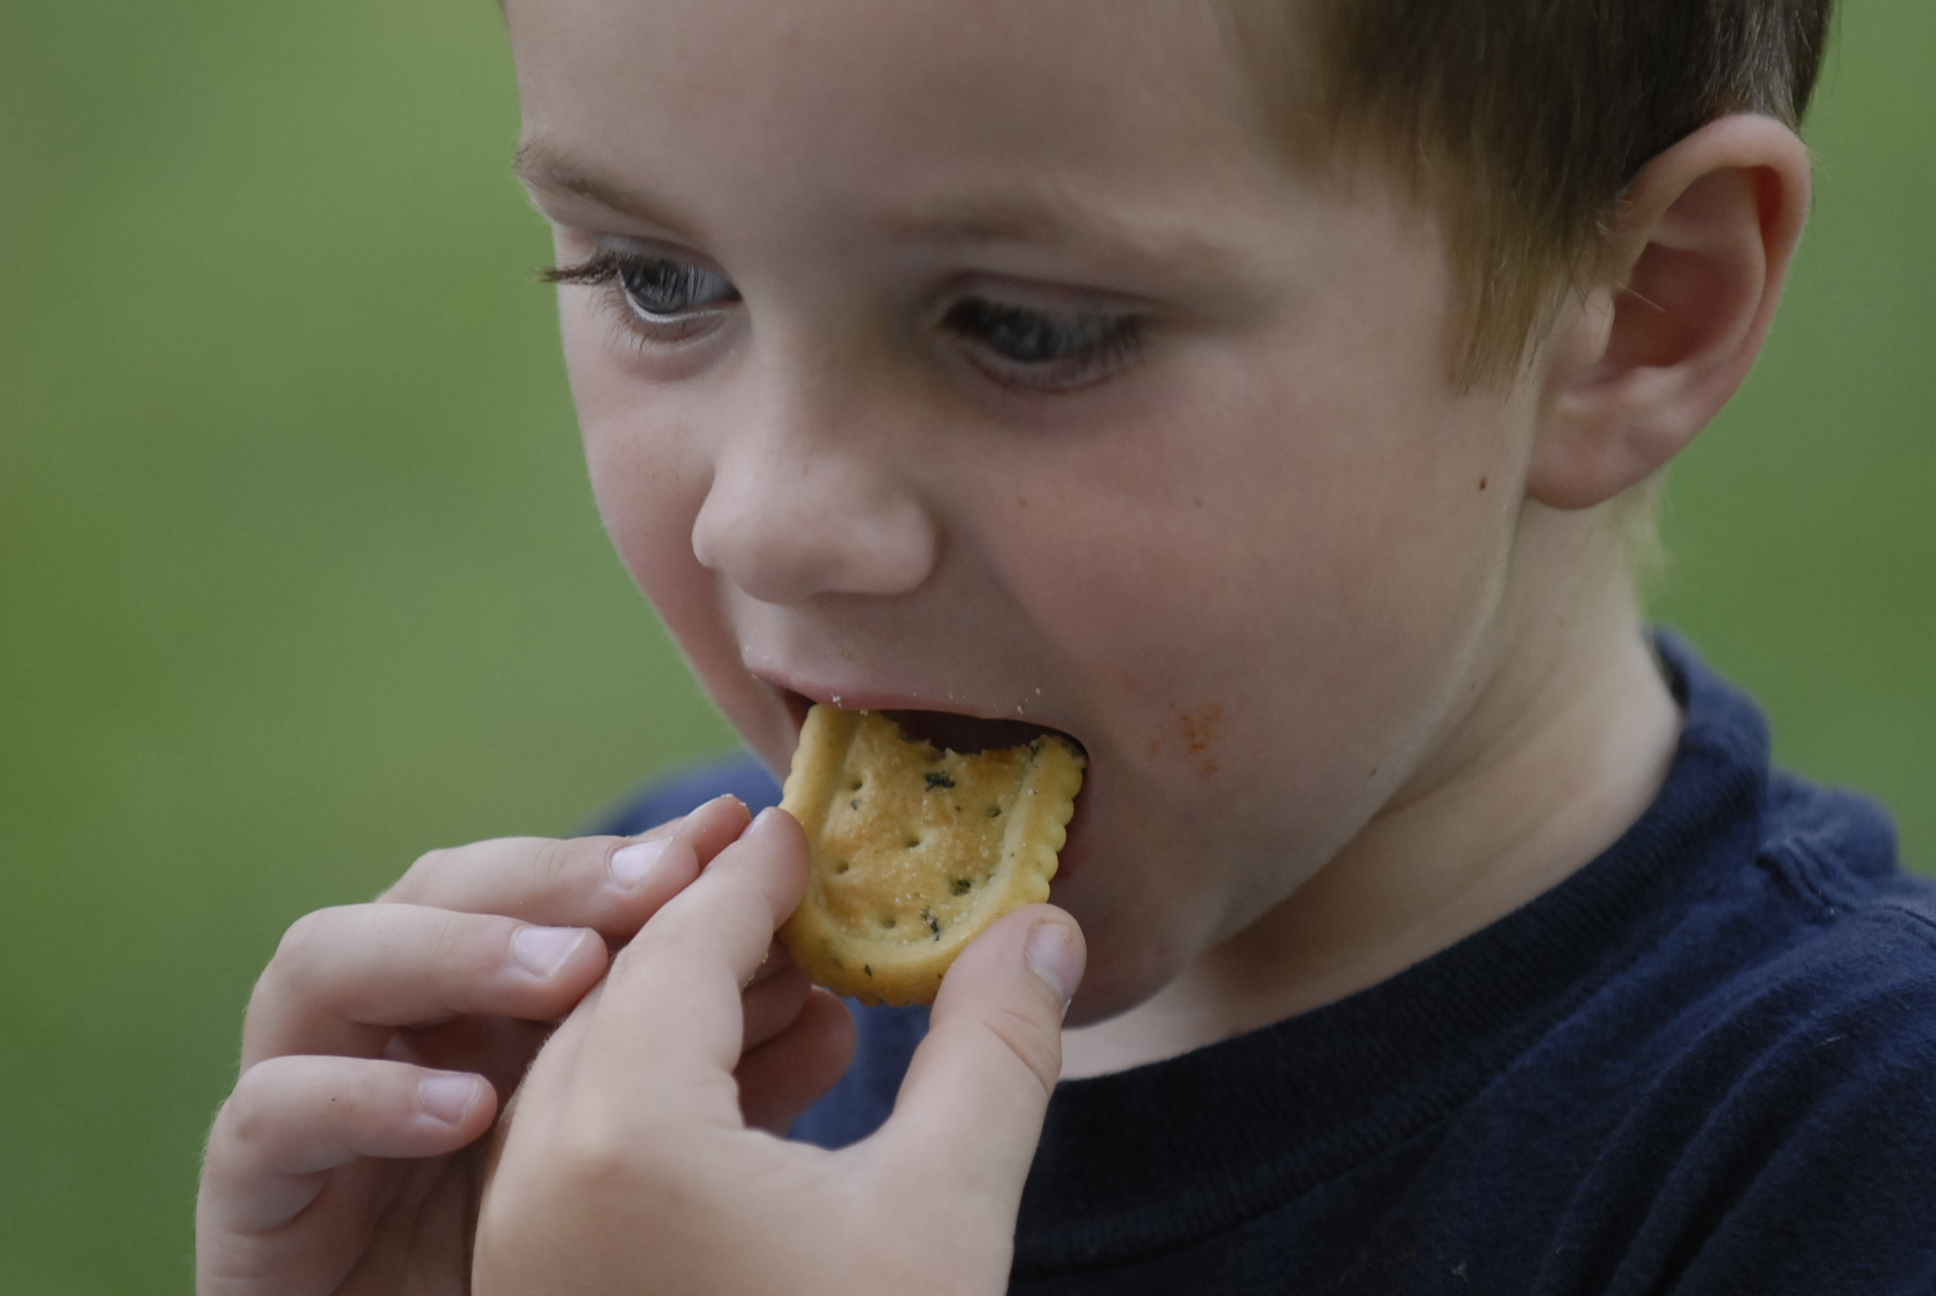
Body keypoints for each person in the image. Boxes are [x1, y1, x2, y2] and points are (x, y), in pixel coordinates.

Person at [196, 0, 1936, 1291]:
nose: (771, 521)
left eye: (1024, 326)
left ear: (1632, 314)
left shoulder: (1837, 1163)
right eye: (659, 280)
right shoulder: (650, 1054)